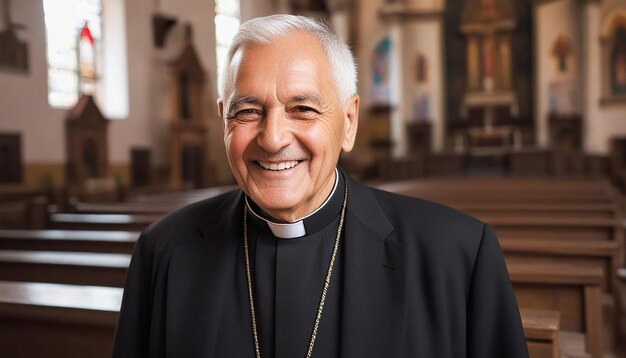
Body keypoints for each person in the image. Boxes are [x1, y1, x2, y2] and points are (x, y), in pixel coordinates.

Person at [112, 14, 528, 358]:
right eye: (248, 111)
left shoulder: (458, 255)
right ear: (223, 119)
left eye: (303, 109)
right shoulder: (161, 253)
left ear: (349, 123)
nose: (273, 139)